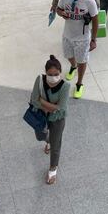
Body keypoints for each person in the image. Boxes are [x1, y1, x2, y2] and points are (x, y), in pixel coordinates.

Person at [30, 55, 71, 184]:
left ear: (60, 72)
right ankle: (48, 140)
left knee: (56, 144)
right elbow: (33, 100)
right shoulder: (40, 80)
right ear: (45, 72)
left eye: (56, 74)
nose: (53, 77)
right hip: (41, 117)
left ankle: (53, 168)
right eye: (50, 74)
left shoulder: (65, 86)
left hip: (57, 119)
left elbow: (62, 109)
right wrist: (52, 106)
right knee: (39, 136)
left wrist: (42, 102)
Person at [56, 0, 99, 98]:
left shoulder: (89, 1)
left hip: (82, 38)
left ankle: (79, 83)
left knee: (82, 60)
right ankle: (73, 66)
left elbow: (95, 20)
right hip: (68, 34)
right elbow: (58, 9)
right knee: (68, 55)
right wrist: (61, 13)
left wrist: (94, 40)